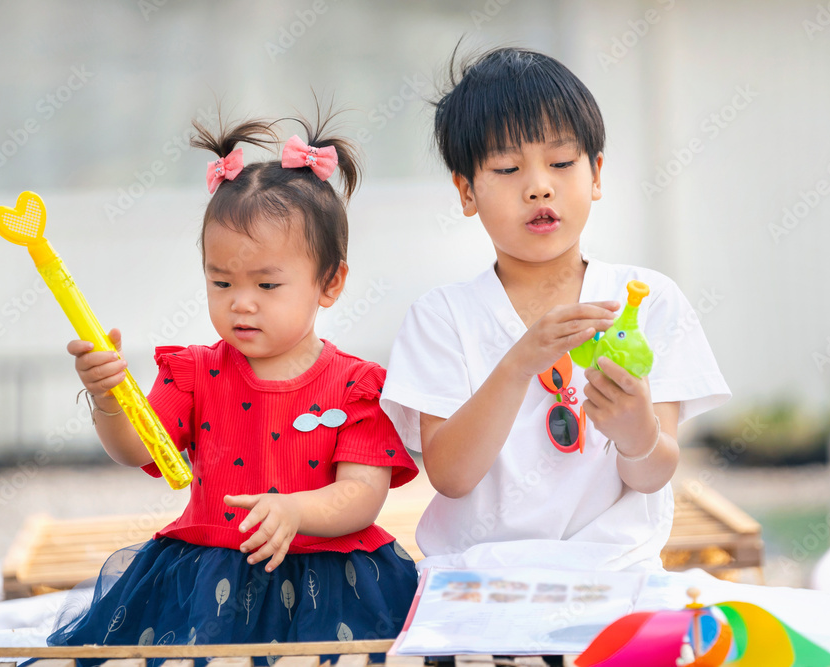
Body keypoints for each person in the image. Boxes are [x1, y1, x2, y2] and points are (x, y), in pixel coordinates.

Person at [52, 111, 419, 662]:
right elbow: (137, 448)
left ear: (331, 282)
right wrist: (108, 398)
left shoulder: (356, 387)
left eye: (267, 284)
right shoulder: (196, 373)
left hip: (331, 581)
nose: (240, 302)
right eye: (220, 281)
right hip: (207, 578)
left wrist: (296, 512)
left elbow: (362, 496)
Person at [380, 47, 731, 573]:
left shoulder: (647, 300)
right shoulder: (442, 317)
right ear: (466, 190)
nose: (539, 185)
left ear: (595, 174)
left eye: (562, 163)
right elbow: (450, 476)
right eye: (507, 167)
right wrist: (519, 363)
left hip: (615, 572)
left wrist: (637, 431)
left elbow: (653, 474)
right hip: (479, 576)